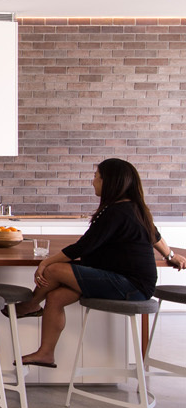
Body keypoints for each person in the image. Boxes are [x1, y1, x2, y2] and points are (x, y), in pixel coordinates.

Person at [18, 157, 186, 367]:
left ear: (110, 182)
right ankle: (46, 354)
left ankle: (30, 305)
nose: (93, 181)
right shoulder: (133, 207)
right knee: (55, 297)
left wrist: (44, 263)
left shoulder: (117, 212)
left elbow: (82, 247)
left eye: (96, 177)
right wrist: (171, 256)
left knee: (53, 270)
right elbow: (155, 236)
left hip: (131, 286)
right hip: (126, 281)